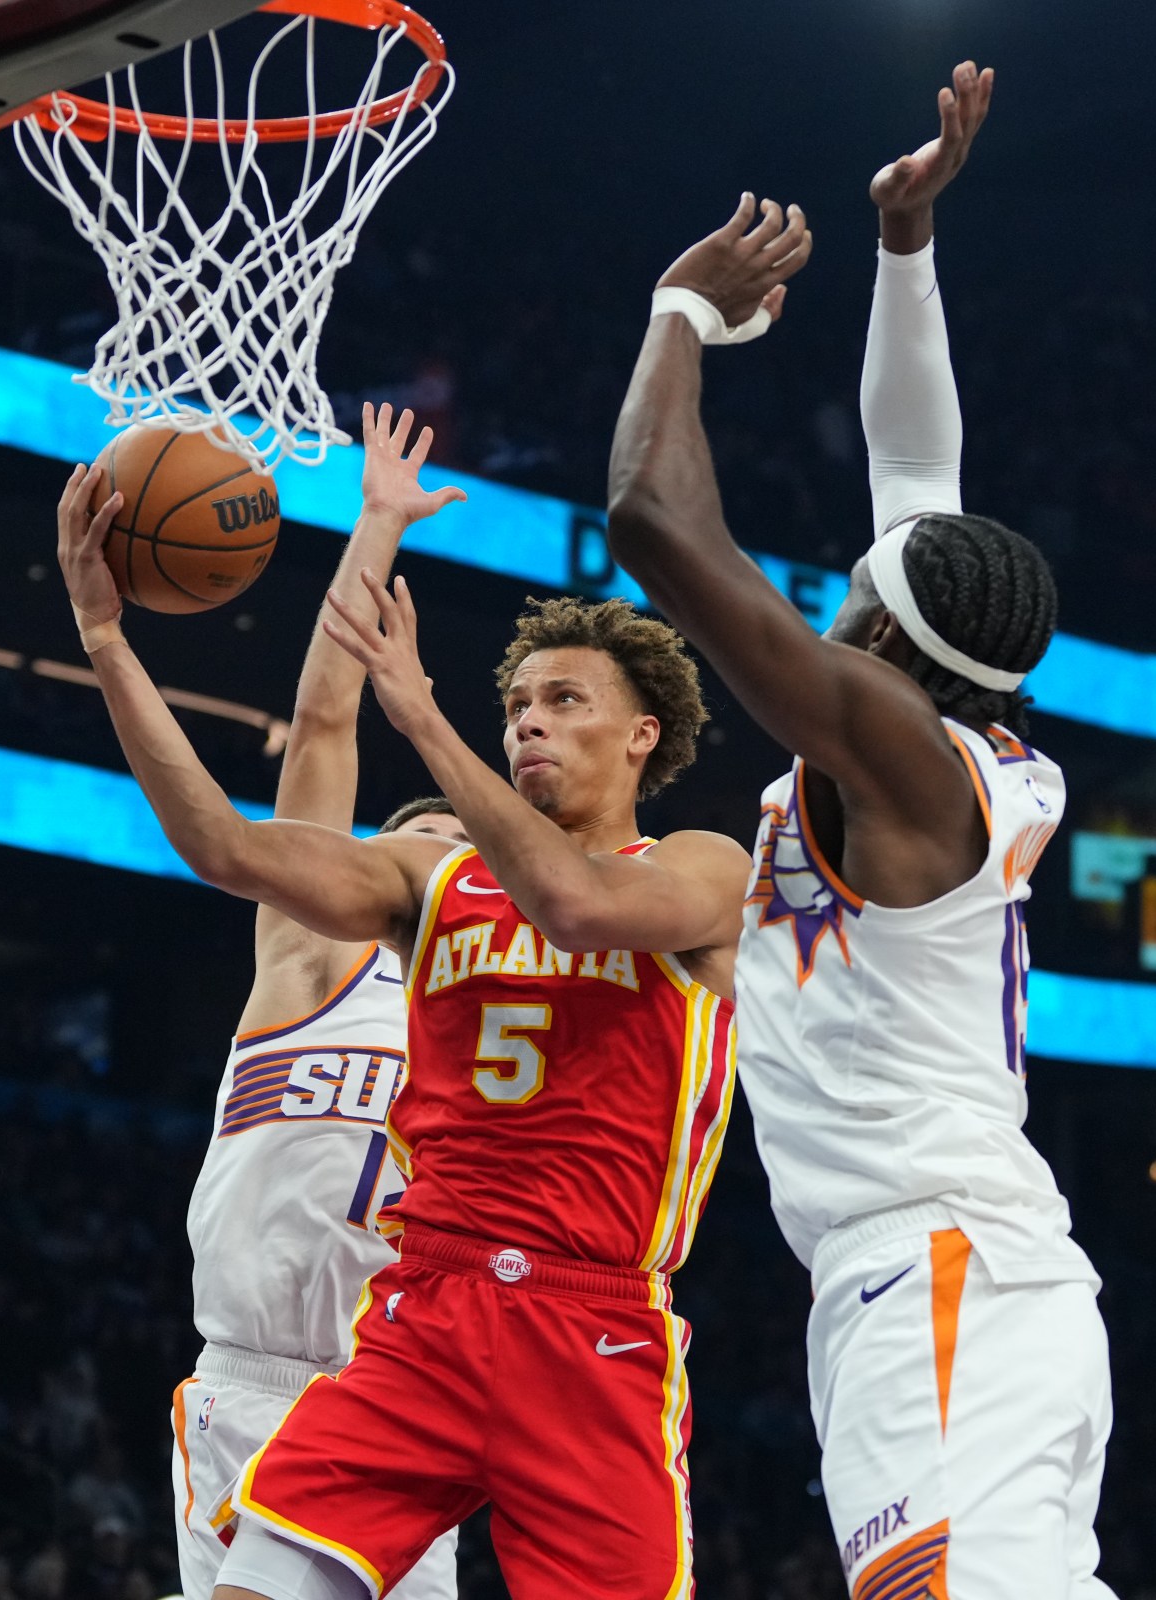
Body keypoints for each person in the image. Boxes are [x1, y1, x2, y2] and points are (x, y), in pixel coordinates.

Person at [54, 420, 749, 1600]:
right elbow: (227, 841)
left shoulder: (703, 867)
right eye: (517, 700)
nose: (527, 717)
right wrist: (106, 638)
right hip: (419, 1312)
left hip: (592, 1325)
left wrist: (420, 709)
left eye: (562, 698)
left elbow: (576, 901)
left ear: (642, 734)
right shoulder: (425, 895)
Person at [606, 62, 1116, 1600]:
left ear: (879, 640)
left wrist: (680, 316)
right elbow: (915, 471)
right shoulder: (956, 734)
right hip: (942, 1274)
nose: (837, 586)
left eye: (853, 592)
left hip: (942, 1267)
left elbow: (652, 518)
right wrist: (906, 245)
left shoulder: (897, 759)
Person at [163, 406, 469, 1600]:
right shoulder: (313, 953)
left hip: (399, 1396)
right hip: (249, 1381)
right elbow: (327, 723)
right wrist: (376, 527)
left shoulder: (505, 1019)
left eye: (463, 854)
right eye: (419, 845)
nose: (440, 865)